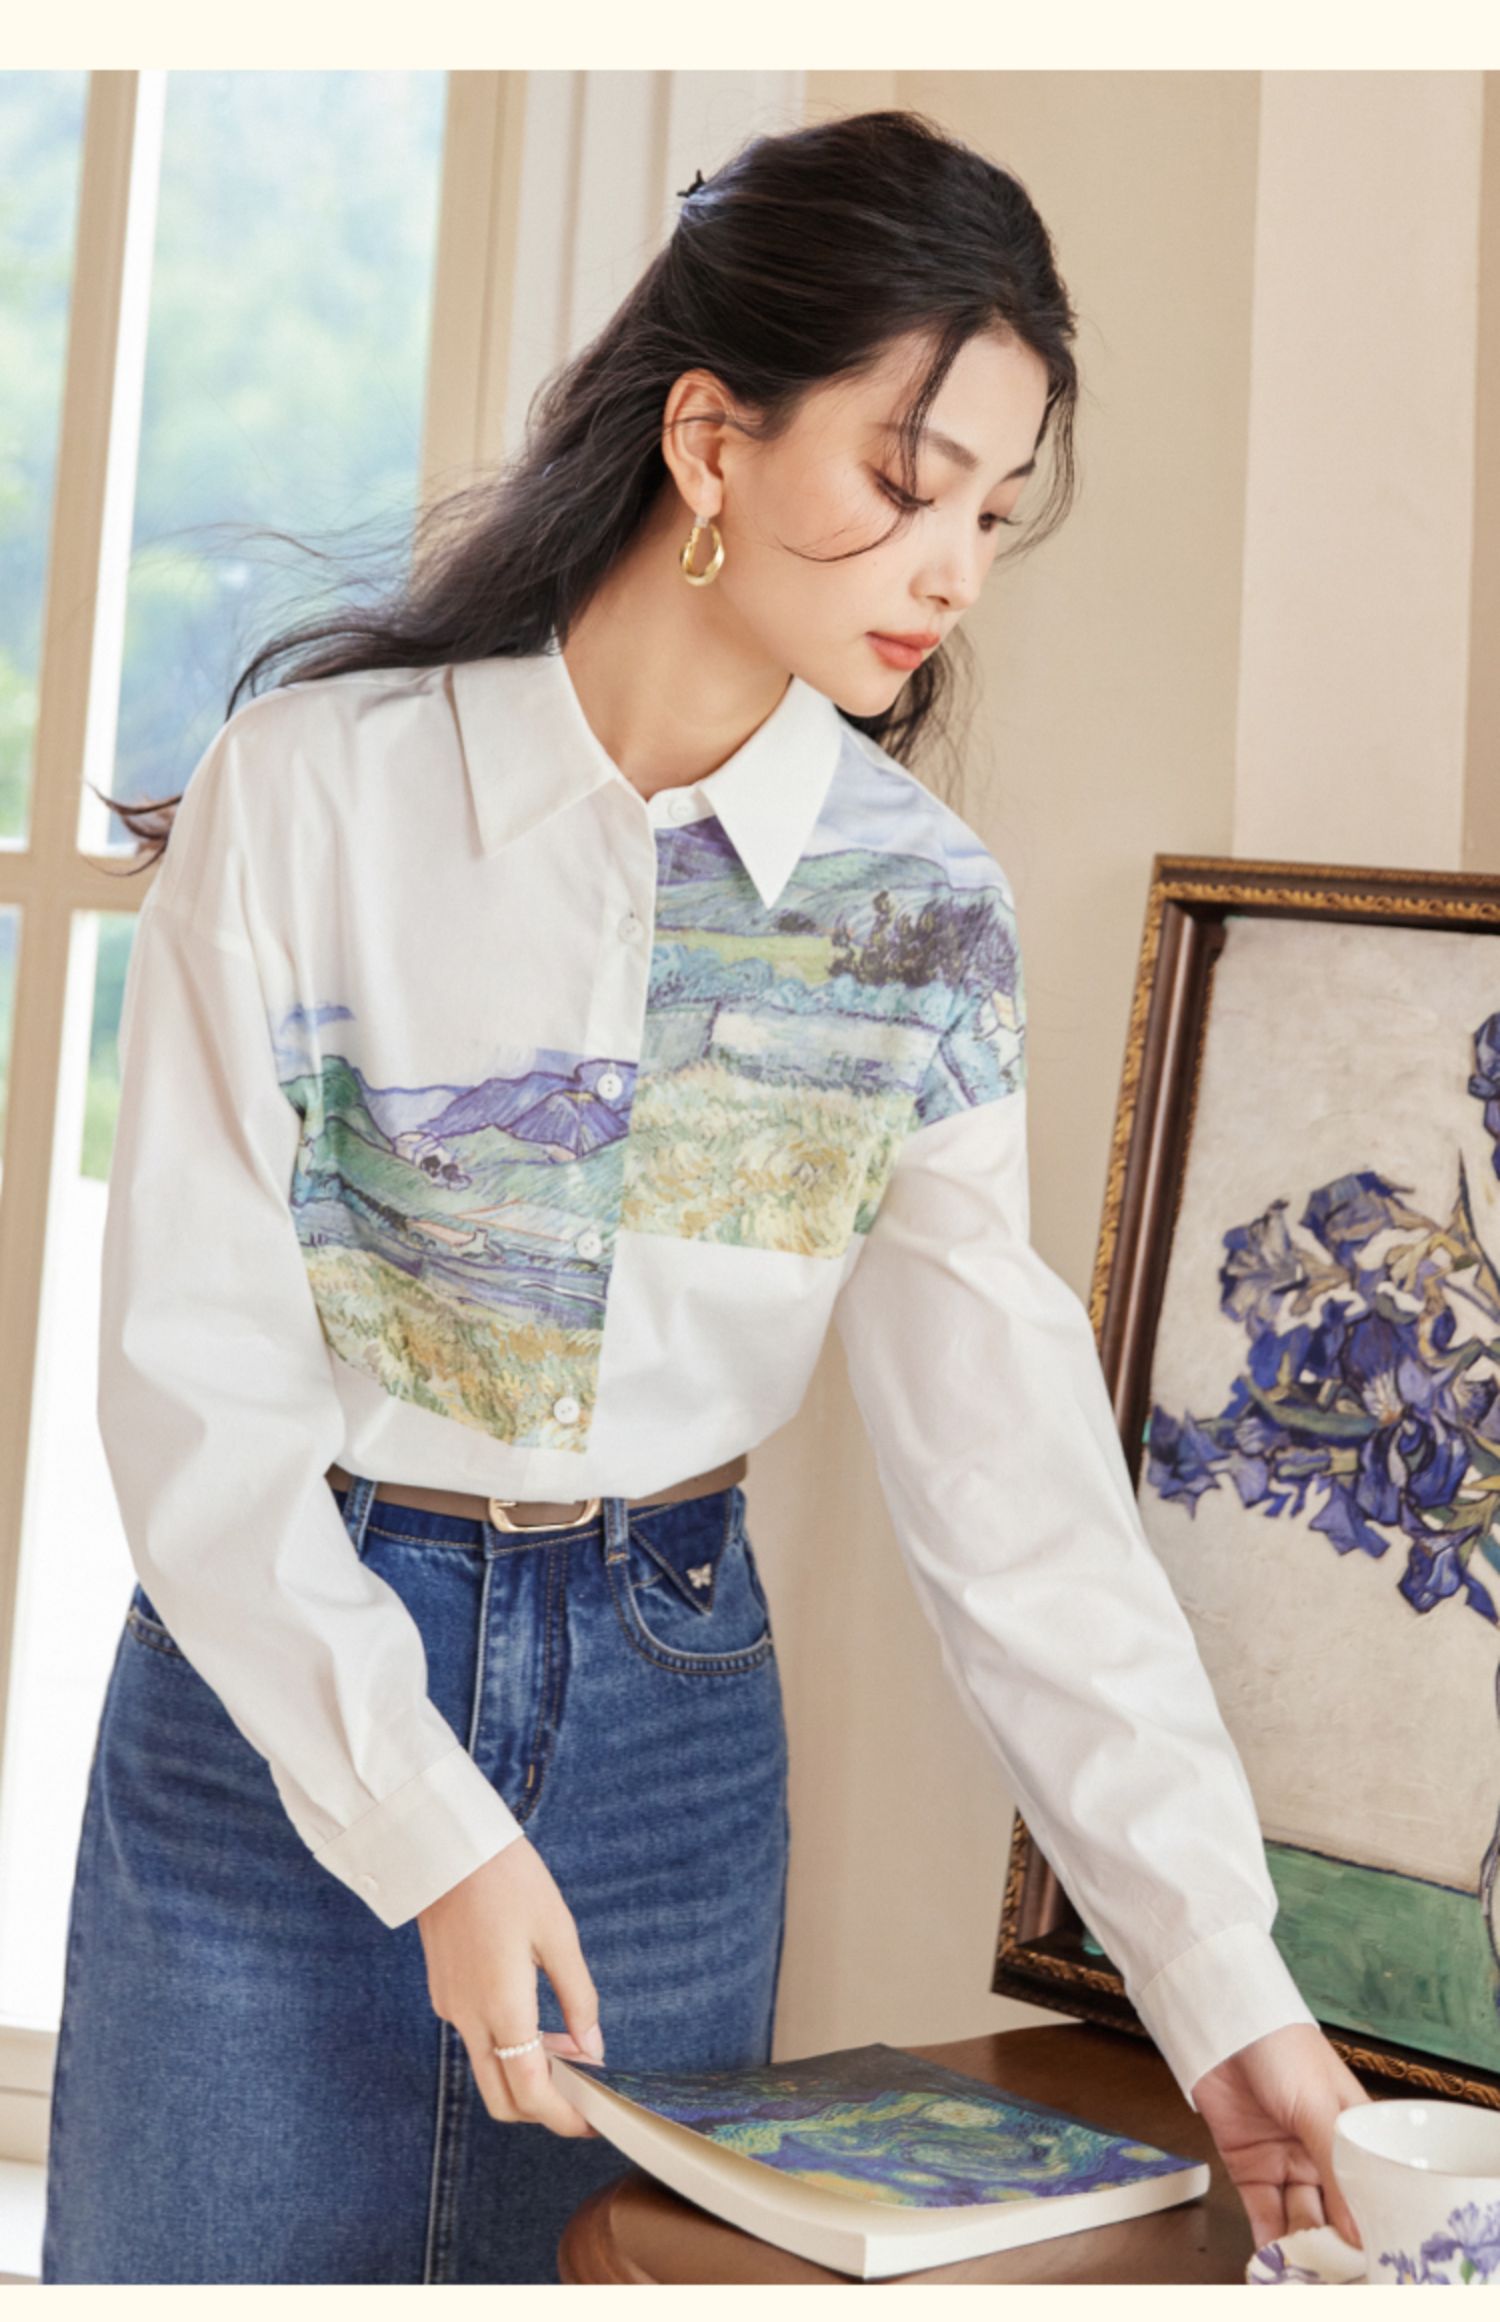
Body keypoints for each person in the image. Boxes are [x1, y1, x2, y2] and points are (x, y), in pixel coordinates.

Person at [41, 107, 1370, 2285]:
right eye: (905, 480)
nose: (954, 566)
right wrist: (425, 1829)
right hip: (267, 1714)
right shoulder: (317, 798)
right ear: (709, 440)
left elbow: (1016, 1495)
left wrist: (1225, 1987)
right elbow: (194, 1384)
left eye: (992, 510)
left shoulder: (920, 913)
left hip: (667, 1738)